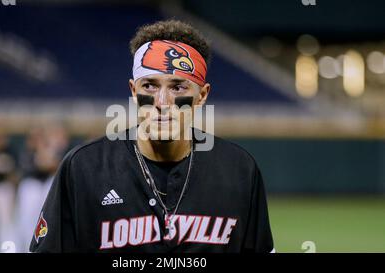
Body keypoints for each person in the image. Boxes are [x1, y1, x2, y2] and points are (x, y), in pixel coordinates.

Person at [30, 20, 274, 253]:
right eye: (150, 86)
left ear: (201, 96)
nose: (162, 102)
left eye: (178, 87)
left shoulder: (240, 170)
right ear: (134, 92)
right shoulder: (83, 169)